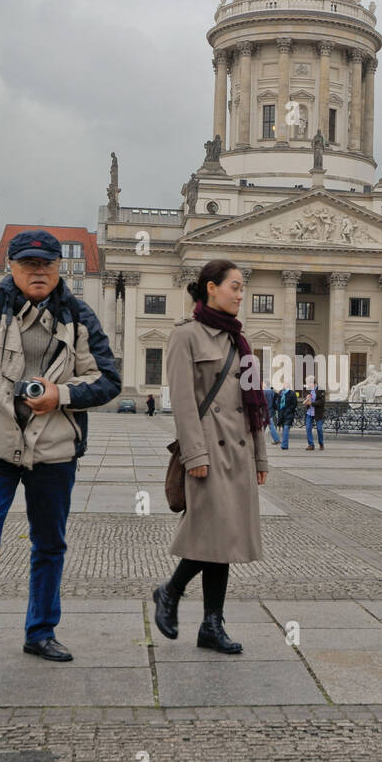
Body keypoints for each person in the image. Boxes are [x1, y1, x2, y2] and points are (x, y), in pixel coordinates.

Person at [0, 230, 120, 676]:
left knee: (49, 543)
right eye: (28, 264)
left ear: (60, 268)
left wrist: (61, 395)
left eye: (46, 264)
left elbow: (108, 379)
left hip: (54, 448)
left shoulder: (78, 315)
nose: (38, 272)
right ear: (12, 268)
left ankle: (40, 632)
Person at [152, 258, 269, 655]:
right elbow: (184, 403)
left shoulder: (240, 340)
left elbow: (253, 406)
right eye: (234, 286)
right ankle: (171, 591)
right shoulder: (186, 335)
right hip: (206, 449)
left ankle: (210, 625)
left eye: (242, 287)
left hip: (238, 452)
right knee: (212, 534)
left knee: (225, 540)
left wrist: (261, 457)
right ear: (211, 289)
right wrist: (193, 453)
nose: (241, 294)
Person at [304, 374, 325, 451]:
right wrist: (307, 397)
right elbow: (305, 394)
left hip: (318, 412)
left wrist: (312, 403)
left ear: (313, 382)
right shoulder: (308, 389)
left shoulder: (320, 389)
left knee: (319, 429)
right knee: (308, 428)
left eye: (308, 383)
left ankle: (321, 444)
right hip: (309, 412)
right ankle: (311, 444)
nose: (307, 385)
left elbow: (322, 401)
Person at [276, 383, 297, 450]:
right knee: (284, 429)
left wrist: (289, 410)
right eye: (284, 385)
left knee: (286, 428)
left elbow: (294, 404)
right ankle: (285, 444)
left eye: (286, 385)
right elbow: (278, 403)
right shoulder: (280, 393)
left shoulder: (292, 393)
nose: (284, 386)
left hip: (289, 414)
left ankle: (284, 445)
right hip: (281, 414)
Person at [263, 381, 281, 445]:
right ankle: (260, 439)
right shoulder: (273, 391)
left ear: (265, 384)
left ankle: (276, 439)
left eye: (263, 384)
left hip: (265, 411)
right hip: (271, 410)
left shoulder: (263, 392)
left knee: (270, 426)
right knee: (264, 426)